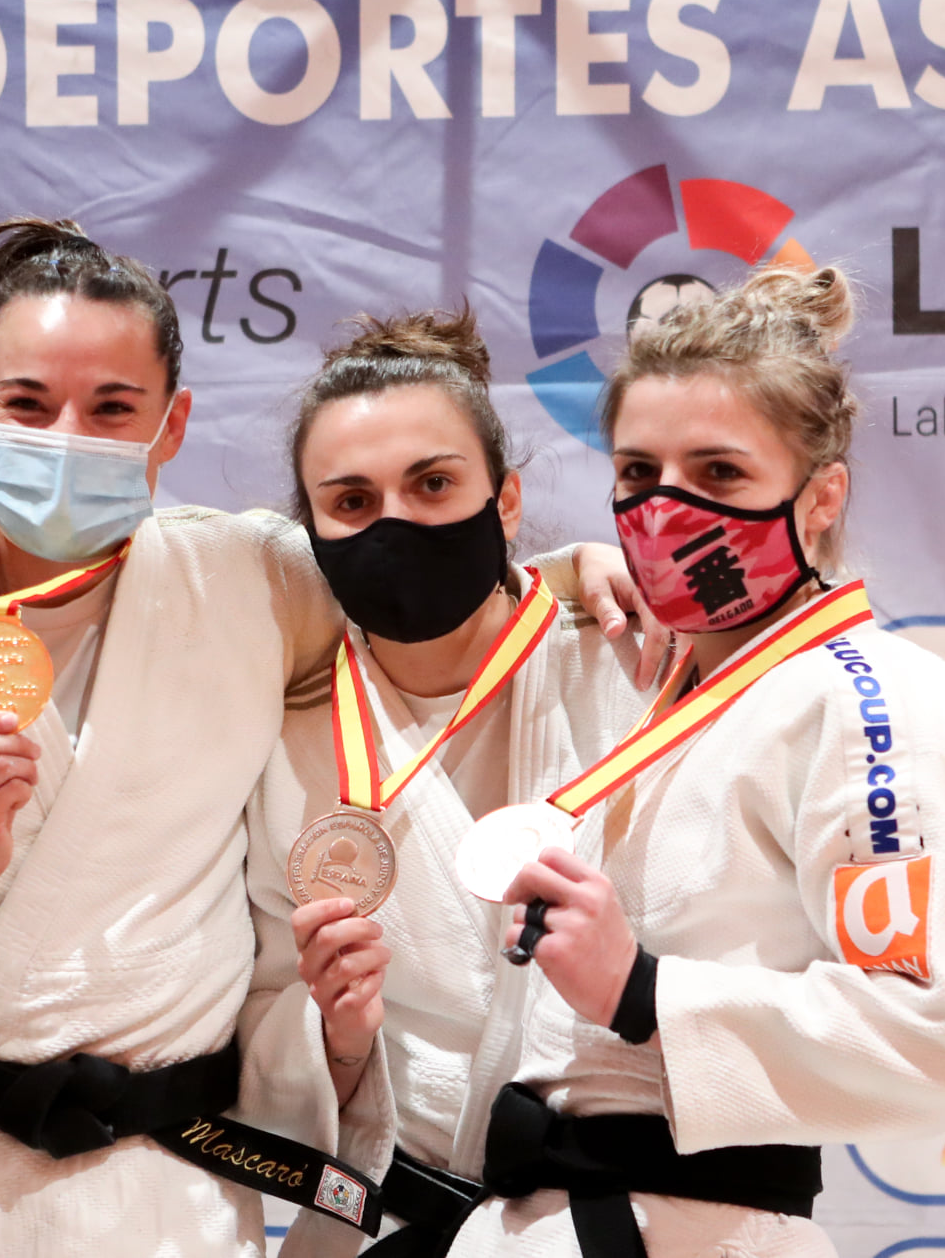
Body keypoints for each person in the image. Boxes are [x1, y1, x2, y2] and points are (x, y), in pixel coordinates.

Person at [0, 217, 659, 1257]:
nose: (69, 433)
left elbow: (408, 576)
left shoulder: (246, 577)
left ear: (171, 424)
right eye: (29, 403)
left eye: (113, 407)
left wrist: (566, 572)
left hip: (168, 1198)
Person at [452, 266, 945, 1258]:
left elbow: (943, 1031)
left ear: (819, 496)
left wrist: (641, 988)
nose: (666, 510)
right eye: (637, 474)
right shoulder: (668, 687)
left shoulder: (871, 700)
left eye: (717, 474)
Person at [242, 310, 650, 1257]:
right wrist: (338, 1043)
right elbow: (260, 1027)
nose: (395, 522)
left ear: (505, 502)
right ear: (313, 531)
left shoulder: (630, 670)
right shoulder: (286, 735)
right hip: (385, 1222)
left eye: (433, 484)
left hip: (613, 1216)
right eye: (350, 501)